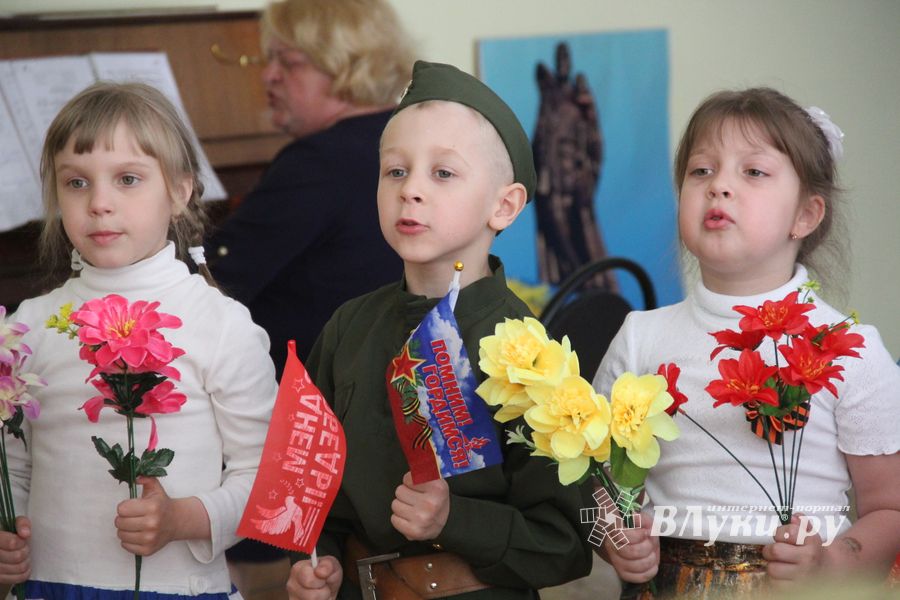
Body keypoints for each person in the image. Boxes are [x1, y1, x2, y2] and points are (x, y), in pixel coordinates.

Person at [286, 61, 594, 600]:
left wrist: (455, 520)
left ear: (504, 206)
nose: (411, 190)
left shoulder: (531, 356)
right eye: (395, 171)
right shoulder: (348, 328)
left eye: (443, 173)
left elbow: (565, 545)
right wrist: (320, 561)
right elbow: (312, 486)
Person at [593, 88, 900, 596]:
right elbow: (594, 482)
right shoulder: (640, 337)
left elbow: (889, 509)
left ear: (806, 216)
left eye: (753, 171)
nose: (719, 187)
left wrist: (828, 565)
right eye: (701, 171)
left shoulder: (849, 349)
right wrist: (610, 537)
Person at [0, 82, 277, 598]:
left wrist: (182, 519)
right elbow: (11, 466)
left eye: (128, 179)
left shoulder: (220, 324)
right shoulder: (29, 326)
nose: (99, 203)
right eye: (76, 183)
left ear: (180, 191)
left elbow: (266, 479)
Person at [205, 0, 413, 377]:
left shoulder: (320, 161)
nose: (268, 75)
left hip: (309, 396)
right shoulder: (402, 134)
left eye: (289, 62)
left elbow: (212, 281)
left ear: (345, 65)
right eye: (269, 60)